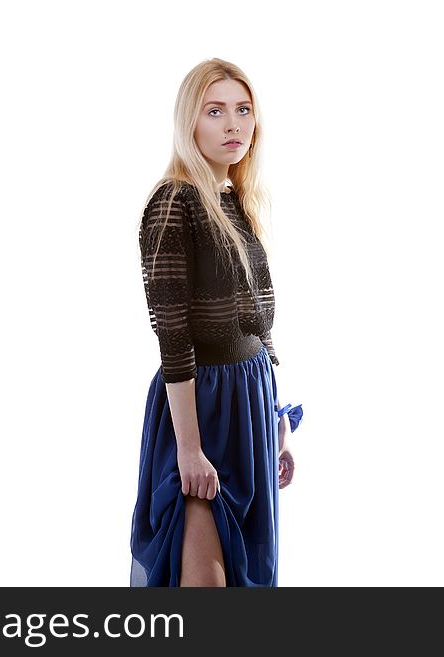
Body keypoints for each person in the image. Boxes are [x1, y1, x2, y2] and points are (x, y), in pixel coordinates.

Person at [129, 58, 303, 587]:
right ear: (191, 122)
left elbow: (257, 328)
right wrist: (188, 449)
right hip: (202, 411)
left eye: (243, 110)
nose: (234, 125)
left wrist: (278, 426)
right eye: (216, 111)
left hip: (250, 408)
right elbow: (174, 337)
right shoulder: (172, 203)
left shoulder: (238, 201)